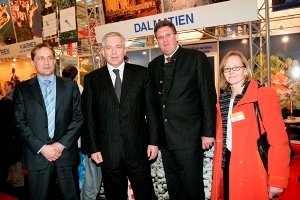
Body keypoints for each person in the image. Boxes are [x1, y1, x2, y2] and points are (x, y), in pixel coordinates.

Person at [82, 32, 159, 200]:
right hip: (108, 152)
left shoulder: (142, 74)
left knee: (146, 195)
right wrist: (93, 148)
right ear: (102, 51)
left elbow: (152, 111)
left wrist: (154, 141)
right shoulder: (92, 79)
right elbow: (89, 117)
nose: (114, 52)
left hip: (138, 149)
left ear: (125, 49)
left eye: (118, 47)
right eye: (109, 47)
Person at [148, 19, 217, 200]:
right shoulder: (153, 65)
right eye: (160, 37)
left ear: (176, 36)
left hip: (189, 137)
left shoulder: (195, 58)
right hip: (166, 140)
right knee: (174, 188)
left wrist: (208, 132)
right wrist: (154, 139)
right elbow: (155, 106)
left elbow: (207, 97)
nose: (165, 40)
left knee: (192, 188)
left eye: (168, 35)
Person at [211, 51, 290, 200]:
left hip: (252, 167)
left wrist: (277, 180)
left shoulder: (263, 95)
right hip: (226, 164)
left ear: (245, 69)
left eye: (236, 67)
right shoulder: (223, 100)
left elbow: (279, 142)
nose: (231, 72)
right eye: (227, 69)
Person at [13, 42, 83, 200]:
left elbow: (78, 118)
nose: (46, 62)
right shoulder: (22, 89)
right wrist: (42, 147)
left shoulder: (71, 86)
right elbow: (19, 122)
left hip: (65, 154)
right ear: (33, 62)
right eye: (41, 58)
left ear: (54, 61)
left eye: (50, 58)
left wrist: (59, 145)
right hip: (37, 156)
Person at [62, 65, 102, 200]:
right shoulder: (80, 90)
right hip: (88, 144)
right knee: (90, 181)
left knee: (86, 177)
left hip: (78, 143)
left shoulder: (68, 89)